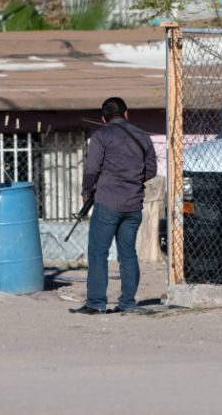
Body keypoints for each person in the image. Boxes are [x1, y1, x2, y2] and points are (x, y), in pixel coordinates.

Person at [69, 97, 157, 315]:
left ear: (103, 118)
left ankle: (96, 302)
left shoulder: (101, 136)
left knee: (98, 252)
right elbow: (151, 171)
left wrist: (87, 192)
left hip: (108, 202)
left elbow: (92, 169)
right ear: (127, 114)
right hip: (134, 204)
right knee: (127, 253)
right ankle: (127, 302)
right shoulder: (143, 137)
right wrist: (132, 181)